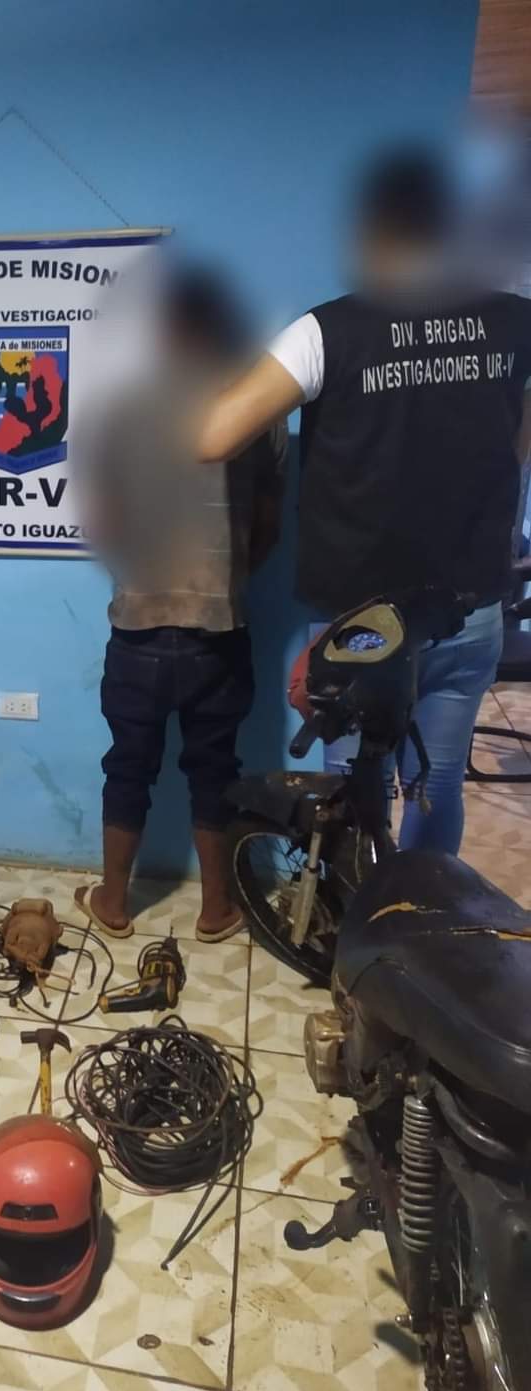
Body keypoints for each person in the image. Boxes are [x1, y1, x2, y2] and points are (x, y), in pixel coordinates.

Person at [196, 146, 531, 855]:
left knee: (352, 791)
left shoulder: (329, 330)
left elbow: (214, 435)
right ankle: (423, 913)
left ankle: (355, 913)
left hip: (364, 620)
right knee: (436, 783)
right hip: (468, 605)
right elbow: (520, 441)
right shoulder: (514, 322)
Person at [75, 263, 287, 941]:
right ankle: (216, 910)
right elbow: (270, 522)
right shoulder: (255, 406)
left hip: (137, 629)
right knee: (215, 772)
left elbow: (104, 524)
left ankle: (113, 903)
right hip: (218, 631)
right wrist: (228, 579)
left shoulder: (119, 409)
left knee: (127, 769)